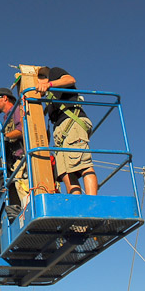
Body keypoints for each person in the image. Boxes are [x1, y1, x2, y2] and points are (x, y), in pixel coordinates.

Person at [35, 67, 98, 195]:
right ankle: (77, 207)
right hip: (60, 130)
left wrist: (49, 84)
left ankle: (93, 202)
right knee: (67, 173)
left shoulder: (54, 73)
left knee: (83, 164)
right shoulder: (48, 96)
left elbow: (70, 79)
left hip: (72, 122)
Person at [0, 87, 29, 209]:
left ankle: (27, 212)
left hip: (22, 159)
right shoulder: (6, 118)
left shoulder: (16, 109)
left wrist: (1, 137)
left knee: (24, 190)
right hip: (14, 162)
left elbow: (22, 130)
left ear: (4, 98)